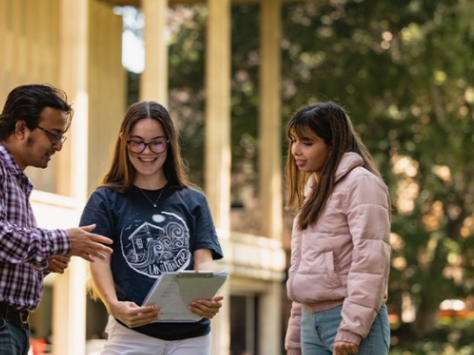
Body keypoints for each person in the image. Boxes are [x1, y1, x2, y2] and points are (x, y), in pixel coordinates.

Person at [79, 101, 224, 355]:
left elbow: (203, 260)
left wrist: (207, 294)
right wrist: (113, 305)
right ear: (124, 142)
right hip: (131, 332)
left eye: (157, 142)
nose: (147, 151)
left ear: (169, 143)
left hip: (191, 336)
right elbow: (99, 259)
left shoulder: (194, 200)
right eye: (137, 142)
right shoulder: (104, 199)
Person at [0, 84, 113, 355]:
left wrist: (44, 262)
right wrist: (63, 239)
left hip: (12, 326)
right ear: (20, 129)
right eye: (53, 135)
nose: (59, 146)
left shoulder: (17, 179)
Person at [284, 102, 391, 355]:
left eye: (307, 142)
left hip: (348, 320)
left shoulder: (361, 183)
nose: (295, 150)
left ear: (332, 145)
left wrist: (352, 328)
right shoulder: (313, 191)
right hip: (311, 325)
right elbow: (304, 267)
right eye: (293, 140)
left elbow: (371, 260)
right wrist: (295, 338)